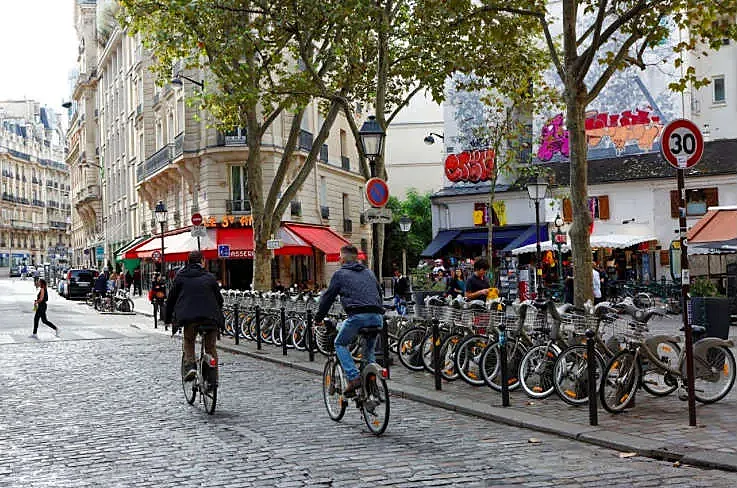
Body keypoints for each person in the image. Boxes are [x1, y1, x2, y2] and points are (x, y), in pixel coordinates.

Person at [314, 245, 384, 397]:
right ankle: (370, 382)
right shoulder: (369, 272)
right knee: (369, 351)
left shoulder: (340, 274)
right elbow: (379, 293)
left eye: (339, 257)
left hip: (358, 317)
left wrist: (318, 318)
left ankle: (354, 378)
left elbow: (328, 298)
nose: (339, 259)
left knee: (339, 343)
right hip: (377, 317)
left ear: (343, 258)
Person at [165, 251, 223, 384]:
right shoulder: (210, 277)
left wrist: (168, 319)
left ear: (188, 262)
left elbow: (171, 300)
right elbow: (219, 300)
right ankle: (212, 379)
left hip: (189, 318)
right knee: (211, 347)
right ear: (202, 261)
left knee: (189, 341)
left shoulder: (181, 276)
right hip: (210, 317)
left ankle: (190, 365)